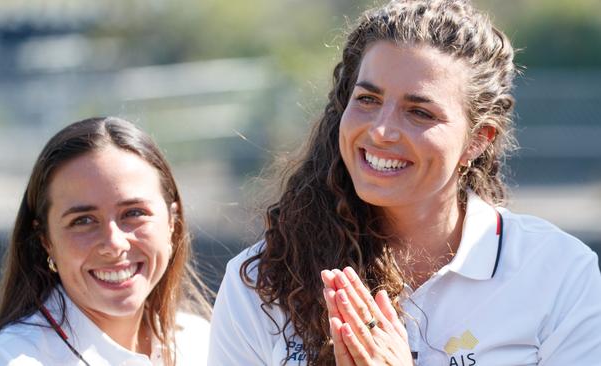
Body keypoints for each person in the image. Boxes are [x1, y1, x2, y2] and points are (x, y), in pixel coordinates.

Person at [207, 0, 601, 365]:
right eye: (367, 100)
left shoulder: (559, 272)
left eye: (419, 112)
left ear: (478, 140)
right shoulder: (264, 281)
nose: (381, 131)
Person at [0, 117, 211, 365]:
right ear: (46, 240)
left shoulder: (204, 343)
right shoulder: (1, 362)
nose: (114, 243)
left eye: (134, 213)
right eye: (83, 220)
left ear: (172, 223)